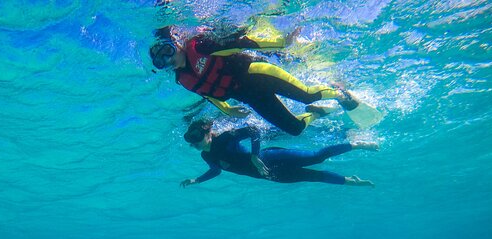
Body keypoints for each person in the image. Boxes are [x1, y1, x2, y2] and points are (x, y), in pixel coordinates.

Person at [149, 29, 359, 136]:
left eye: (167, 50)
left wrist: (281, 43)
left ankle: (340, 94)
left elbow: (238, 43)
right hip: (250, 98)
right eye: (161, 59)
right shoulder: (182, 80)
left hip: (258, 74)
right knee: (294, 129)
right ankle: (317, 112)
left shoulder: (199, 47)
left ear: (175, 43)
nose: (168, 58)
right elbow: (208, 95)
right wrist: (228, 111)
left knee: (307, 94)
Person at [180, 119, 376, 187]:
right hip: (269, 175)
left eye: (197, 137)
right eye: (192, 141)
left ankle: (356, 143)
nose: (195, 143)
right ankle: (351, 181)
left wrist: (255, 156)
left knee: (317, 157)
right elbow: (216, 171)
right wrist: (196, 180)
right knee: (313, 177)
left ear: (207, 132)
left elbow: (253, 130)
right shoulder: (206, 156)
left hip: (271, 157)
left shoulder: (224, 138)